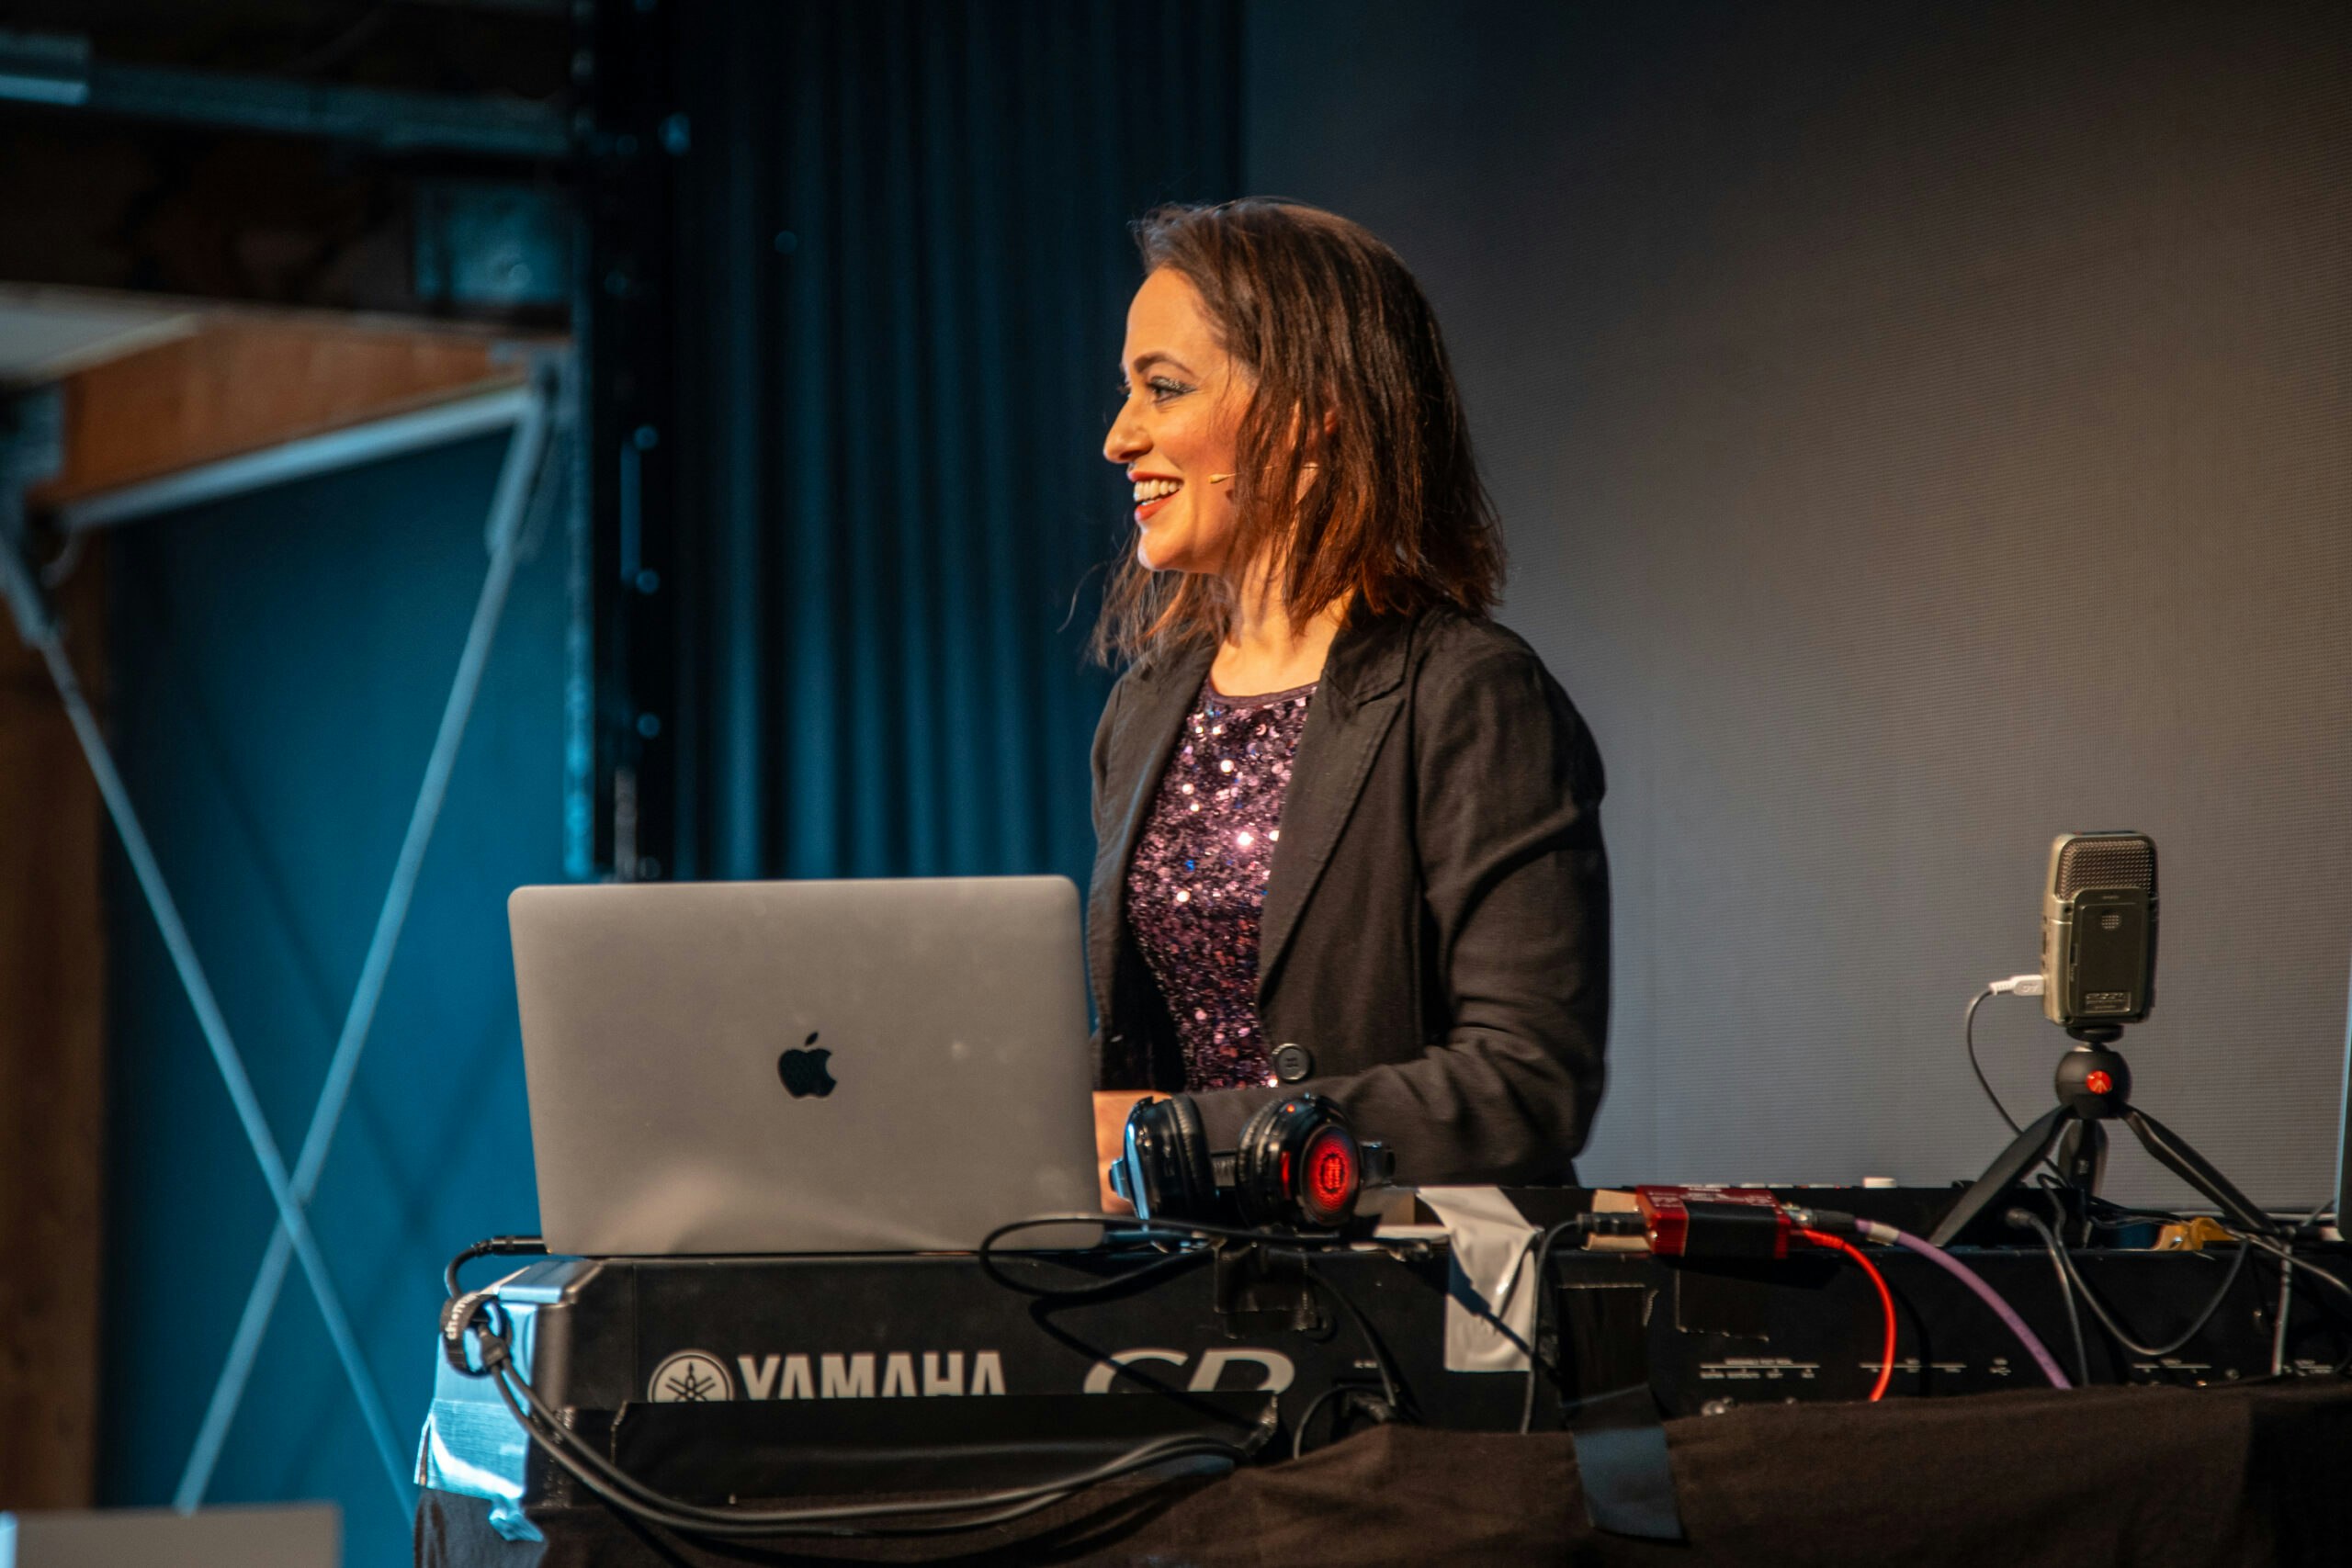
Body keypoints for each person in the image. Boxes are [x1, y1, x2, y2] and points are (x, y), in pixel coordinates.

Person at [1088, 198, 1610, 1197]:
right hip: (1181, 1271)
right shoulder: (1144, 709)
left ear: (1308, 410)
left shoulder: (1469, 695)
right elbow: (1142, 1050)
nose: (1120, 436)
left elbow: (1525, 1084)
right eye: (1128, 392)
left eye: (1164, 388)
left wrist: (1183, 1137)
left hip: (1398, 1274)